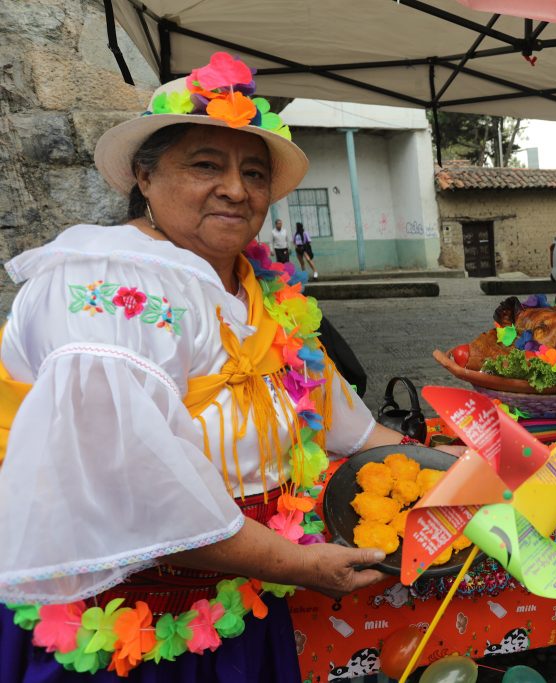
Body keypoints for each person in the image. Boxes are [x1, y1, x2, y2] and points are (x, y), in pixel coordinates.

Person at [0, 52, 458, 681]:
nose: (237, 190)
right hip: (120, 627)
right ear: (144, 176)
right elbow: (133, 480)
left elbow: (345, 427)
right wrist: (293, 564)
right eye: (205, 165)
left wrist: (456, 477)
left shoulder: (264, 294)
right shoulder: (103, 285)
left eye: (254, 173)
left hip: (235, 606)